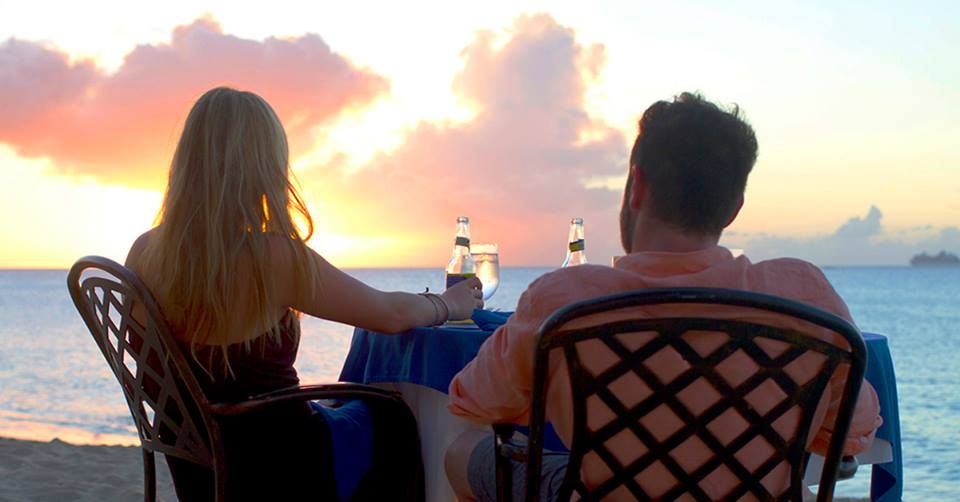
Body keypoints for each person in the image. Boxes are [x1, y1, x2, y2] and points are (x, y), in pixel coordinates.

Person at [445, 92, 882, 501]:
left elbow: (475, 401)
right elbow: (852, 431)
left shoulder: (564, 300)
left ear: (637, 185)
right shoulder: (805, 297)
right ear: (734, 208)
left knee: (461, 450)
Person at [124, 86, 483, 501]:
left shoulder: (145, 251)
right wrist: (448, 304)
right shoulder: (271, 256)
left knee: (350, 404)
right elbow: (388, 313)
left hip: (200, 472)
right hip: (285, 468)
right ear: (264, 166)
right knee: (392, 419)